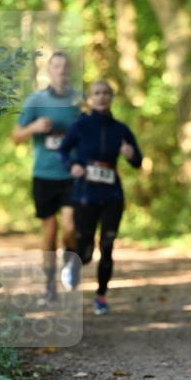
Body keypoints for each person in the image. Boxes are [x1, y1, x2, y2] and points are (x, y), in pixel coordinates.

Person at [59, 80, 142, 314]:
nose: (102, 97)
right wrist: (73, 165)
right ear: (90, 98)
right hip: (85, 194)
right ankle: (72, 263)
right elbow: (63, 151)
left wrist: (130, 154)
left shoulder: (120, 129)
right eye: (97, 93)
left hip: (112, 195)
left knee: (107, 245)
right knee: (84, 249)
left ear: (112, 97)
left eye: (106, 93)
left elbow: (138, 162)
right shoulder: (81, 125)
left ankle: (101, 296)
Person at [13, 51, 82, 303]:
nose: (61, 70)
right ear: (49, 70)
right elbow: (16, 136)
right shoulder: (35, 101)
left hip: (71, 174)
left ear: (70, 71)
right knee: (50, 232)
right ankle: (50, 284)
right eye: (56, 66)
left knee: (70, 227)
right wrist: (33, 128)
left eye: (65, 66)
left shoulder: (79, 101)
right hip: (43, 174)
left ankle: (71, 263)